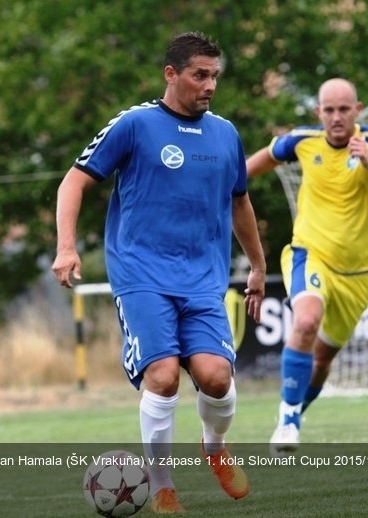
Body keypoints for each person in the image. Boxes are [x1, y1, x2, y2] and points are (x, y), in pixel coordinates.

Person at [53, 32, 266, 513]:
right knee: (165, 376)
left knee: (216, 379)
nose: (209, 85)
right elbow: (74, 180)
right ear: (171, 74)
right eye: (199, 75)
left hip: (203, 279)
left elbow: (240, 203)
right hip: (141, 275)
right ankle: (162, 484)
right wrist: (67, 247)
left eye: (214, 75)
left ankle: (214, 448)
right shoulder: (135, 125)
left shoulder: (226, 134)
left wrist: (257, 264)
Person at [246, 78, 368, 455]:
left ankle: (289, 414)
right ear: (318, 112)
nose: (336, 117)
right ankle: (289, 420)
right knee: (305, 321)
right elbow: (258, 163)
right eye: (329, 110)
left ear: (358, 110)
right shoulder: (303, 140)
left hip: (359, 274)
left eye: (344, 109)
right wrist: (221, 185)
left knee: (321, 361)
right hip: (311, 254)